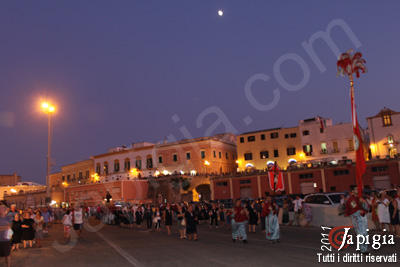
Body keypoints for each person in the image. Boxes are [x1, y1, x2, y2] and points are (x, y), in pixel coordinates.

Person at [345, 188, 369, 254]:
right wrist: (361, 209)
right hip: (357, 218)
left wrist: (363, 202)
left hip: (362, 218)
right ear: (352, 191)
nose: (358, 190)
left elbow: (367, 207)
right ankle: (363, 249)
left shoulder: (360, 198)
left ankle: (361, 248)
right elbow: (354, 209)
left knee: (362, 233)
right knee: (362, 233)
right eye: (356, 189)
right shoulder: (351, 199)